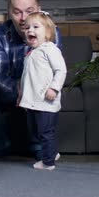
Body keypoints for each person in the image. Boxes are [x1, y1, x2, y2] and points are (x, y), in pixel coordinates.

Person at [0, 0, 61, 159]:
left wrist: (29, 88)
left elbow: (53, 71)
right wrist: (20, 89)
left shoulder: (52, 31)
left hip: (39, 87)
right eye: (17, 12)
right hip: (9, 88)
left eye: (29, 11)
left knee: (38, 87)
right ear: (9, 13)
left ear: (39, 9)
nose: (23, 18)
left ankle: (38, 145)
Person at [17, 12, 67, 170]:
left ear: (48, 33)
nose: (30, 30)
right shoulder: (31, 52)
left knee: (46, 132)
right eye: (27, 27)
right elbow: (25, 77)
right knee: (36, 132)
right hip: (32, 101)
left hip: (46, 101)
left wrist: (54, 88)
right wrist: (20, 95)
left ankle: (48, 162)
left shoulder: (50, 49)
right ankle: (51, 152)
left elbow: (61, 70)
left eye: (35, 27)